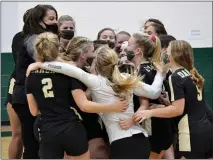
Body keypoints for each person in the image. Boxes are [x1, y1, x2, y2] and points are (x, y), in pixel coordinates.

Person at [27, 41, 166, 159]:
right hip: (142, 139)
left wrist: (40, 64)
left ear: (96, 65)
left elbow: (69, 69)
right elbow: (154, 92)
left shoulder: (95, 82)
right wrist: (160, 73)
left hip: (121, 142)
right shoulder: (127, 78)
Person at [25, 32, 129, 159]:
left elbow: (34, 111)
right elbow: (84, 105)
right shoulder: (69, 72)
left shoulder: (30, 74)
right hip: (70, 127)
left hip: (47, 129)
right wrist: (113, 106)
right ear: (57, 48)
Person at [134, 40, 213, 159]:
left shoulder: (175, 77)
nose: (164, 53)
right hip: (206, 130)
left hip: (189, 133)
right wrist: (164, 105)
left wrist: (149, 112)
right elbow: (190, 105)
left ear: (174, 55)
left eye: (167, 51)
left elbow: (177, 110)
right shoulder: (191, 74)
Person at [12, 4, 58, 158]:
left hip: (29, 95)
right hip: (24, 97)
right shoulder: (33, 38)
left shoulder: (38, 37)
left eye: (56, 18)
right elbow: (48, 59)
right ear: (39, 21)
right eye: (51, 19)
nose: (55, 22)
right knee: (32, 144)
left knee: (38, 143)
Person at [124, 33, 173, 159]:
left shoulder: (143, 71)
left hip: (154, 127)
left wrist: (131, 121)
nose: (125, 48)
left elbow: (144, 105)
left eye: (129, 44)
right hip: (161, 125)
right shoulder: (151, 68)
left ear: (138, 51)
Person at [5, 8, 32, 159]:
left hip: (29, 87)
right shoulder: (20, 38)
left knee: (27, 136)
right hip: (17, 87)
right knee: (18, 134)